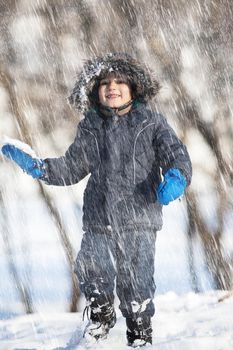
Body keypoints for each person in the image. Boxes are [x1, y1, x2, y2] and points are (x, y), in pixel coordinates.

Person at [1, 52, 192, 347]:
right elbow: (71, 167)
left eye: (119, 82)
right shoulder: (91, 127)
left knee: (135, 279)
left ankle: (139, 330)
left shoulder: (152, 122)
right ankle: (100, 316)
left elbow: (175, 153)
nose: (111, 87)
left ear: (134, 88)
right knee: (92, 267)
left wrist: (177, 176)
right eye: (104, 83)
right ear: (94, 91)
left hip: (138, 215)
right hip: (99, 216)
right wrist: (39, 167)